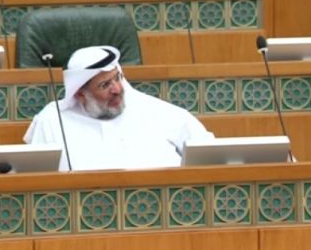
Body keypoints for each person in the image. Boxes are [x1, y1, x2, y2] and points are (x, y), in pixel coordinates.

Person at [24, 45, 214, 171]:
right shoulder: (52, 120)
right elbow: (35, 178)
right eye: (105, 85)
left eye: (117, 78)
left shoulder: (160, 112)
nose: (117, 89)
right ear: (80, 94)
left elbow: (210, 154)